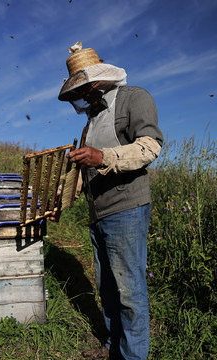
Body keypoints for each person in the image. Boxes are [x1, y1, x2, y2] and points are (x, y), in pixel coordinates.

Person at [55, 43, 164, 360]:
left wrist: (102, 156)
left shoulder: (134, 98)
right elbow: (84, 168)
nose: (84, 96)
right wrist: (60, 197)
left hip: (126, 208)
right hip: (98, 212)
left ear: (100, 79)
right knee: (107, 287)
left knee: (129, 289)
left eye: (85, 88)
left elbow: (150, 147)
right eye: (78, 91)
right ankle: (113, 345)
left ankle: (132, 355)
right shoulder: (92, 119)